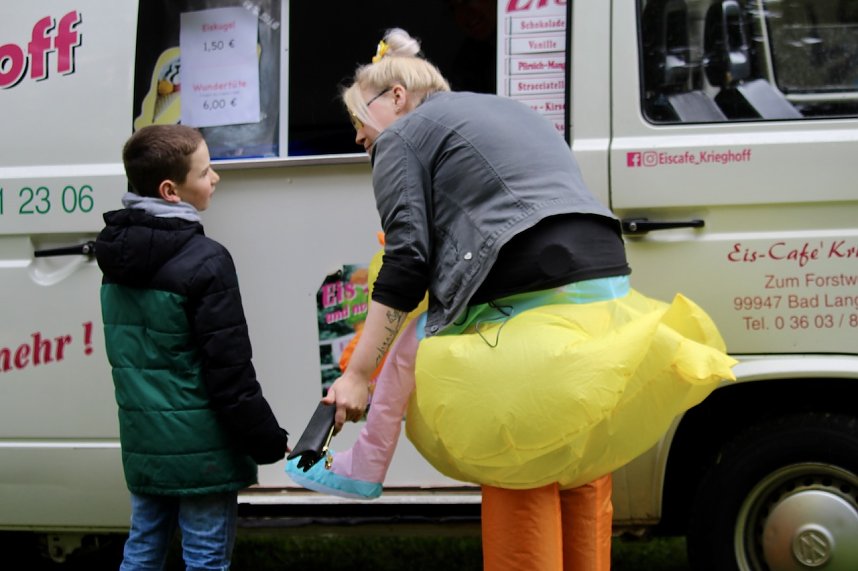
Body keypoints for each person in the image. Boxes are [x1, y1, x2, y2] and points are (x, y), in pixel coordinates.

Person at [288, 29, 736, 570]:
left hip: (526, 277)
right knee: (571, 457)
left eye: (359, 120)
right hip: (602, 274)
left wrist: (358, 373)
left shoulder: (401, 139)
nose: (360, 138)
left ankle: (365, 464)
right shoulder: (501, 111)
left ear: (397, 99)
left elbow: (407, 261)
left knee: (414, 352)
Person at [95, 124, 290, 571]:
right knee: (205, 559)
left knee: (142, 549)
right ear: (170, 190)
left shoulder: (114, 260)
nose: (215, 178)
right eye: (205, 171)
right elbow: (230, 372)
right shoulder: (207, 260)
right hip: (203, 450)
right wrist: (266, 440)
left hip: (146, 443)